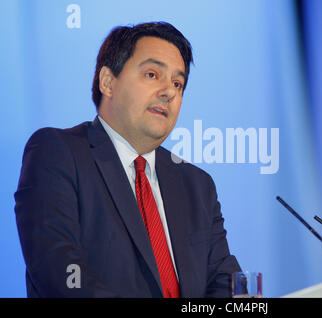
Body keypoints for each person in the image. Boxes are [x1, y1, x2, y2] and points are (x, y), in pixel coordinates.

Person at [14, 22, 241, 298]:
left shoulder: (197, 185)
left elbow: (225, 281)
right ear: (108, 82)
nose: (169, 91)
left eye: (177, 83)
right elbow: (61, 273)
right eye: (152, 74)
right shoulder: (58, 153)